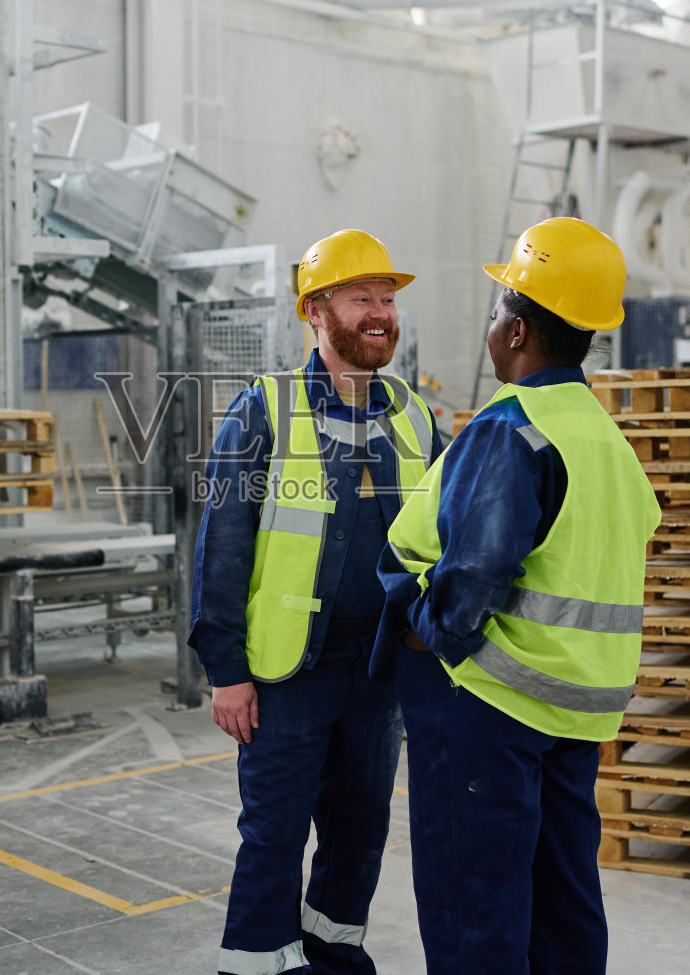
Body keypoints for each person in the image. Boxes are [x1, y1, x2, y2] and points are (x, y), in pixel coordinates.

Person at [372, 217, 661, 975]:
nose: (492, 326)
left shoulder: (511, 428)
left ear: (521, 331)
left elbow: (471, 580)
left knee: (476, 909)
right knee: (563, 905)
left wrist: (424, 633)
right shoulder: (603, 437)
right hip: (579, 707)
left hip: (490, 707)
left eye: (499, 311)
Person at [189, 228, 441, 975]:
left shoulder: (413, 415)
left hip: (378, 669)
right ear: (315, 311)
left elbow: (437, 536)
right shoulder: (264, 409)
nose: (381, 313)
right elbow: (223, 546)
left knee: (361, 828)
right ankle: (259, 963)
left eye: (388, 299)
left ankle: (335, 953)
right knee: (275, 831)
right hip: (287, 672)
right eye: (362, 297)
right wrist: (225, 668)